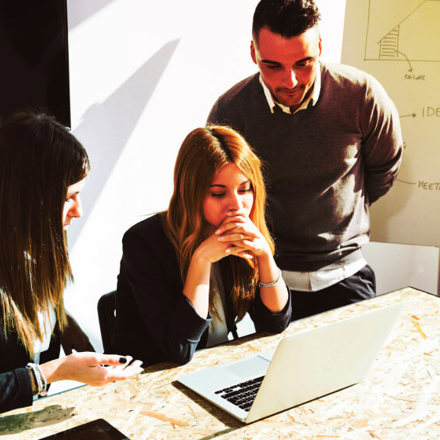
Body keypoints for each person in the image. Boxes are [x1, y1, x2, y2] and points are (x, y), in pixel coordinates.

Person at [207, 0, 403, 320]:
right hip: (269, 280)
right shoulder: (230, 112)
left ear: (321, 46)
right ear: (254, 53)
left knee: (356, 369)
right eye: (273, 66)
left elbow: (384, 169)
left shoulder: (362, 95)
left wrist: (339, 217)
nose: (291, 81)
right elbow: (218, 193)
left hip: (347, 275)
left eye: (304, 62)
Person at [0, 113, 143, 414]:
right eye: (69, 197)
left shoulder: (32, 255)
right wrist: (52, 373)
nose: (78, 211)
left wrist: (68, 330)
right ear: (29, 198)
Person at [113, 125, 291, 366]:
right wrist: (201, 259)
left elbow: (275, 323)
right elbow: (178, 350)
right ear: (191, 192)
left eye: (244, 190)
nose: (236, 205)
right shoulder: (143, 242)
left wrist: (264, 256)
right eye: (219, 193)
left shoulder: (239, 230)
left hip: (214, 368)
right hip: (150, 380)